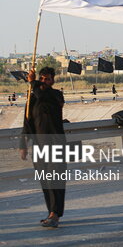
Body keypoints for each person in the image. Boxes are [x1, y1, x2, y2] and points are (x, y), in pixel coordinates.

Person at [19, 67, 66, 228]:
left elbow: (44, 95)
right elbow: (27, 123)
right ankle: (51, 212)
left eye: (47, 79)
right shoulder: (32, 98)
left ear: (53, 80)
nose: (45, 82)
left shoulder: (56, 95)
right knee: (45, 180)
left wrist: (32, 82)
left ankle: (55, 213)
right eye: (42, 78)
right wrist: (23, 144)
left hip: (56, 143)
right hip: (39, 145)